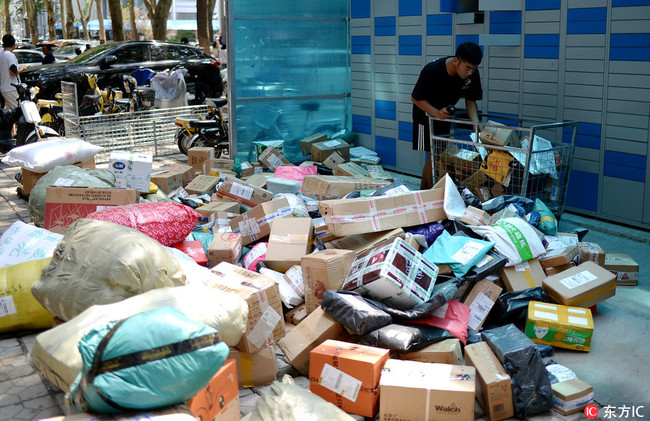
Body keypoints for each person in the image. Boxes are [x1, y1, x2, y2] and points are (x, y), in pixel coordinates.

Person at [411, 42, 483, 189]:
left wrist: (476, 123)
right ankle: (431, 196)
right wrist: (436, 113)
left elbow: (470, 101)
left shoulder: (472, 75)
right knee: (434, 156)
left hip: (444, 115)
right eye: (467, 68)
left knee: (437, 156)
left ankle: (423, 193)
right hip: (424, 114)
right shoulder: (432, 70)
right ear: (456, 61)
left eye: (474, 69)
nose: (470, 73)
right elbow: (416, 98)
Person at [0, 34, 26, 109]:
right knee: (17, 110)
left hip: (4, 87)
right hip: (11, 88)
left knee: (9, 111)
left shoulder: (1, 55)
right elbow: (12, 72)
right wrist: (22, 70)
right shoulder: (11, 56)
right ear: (14, 44)